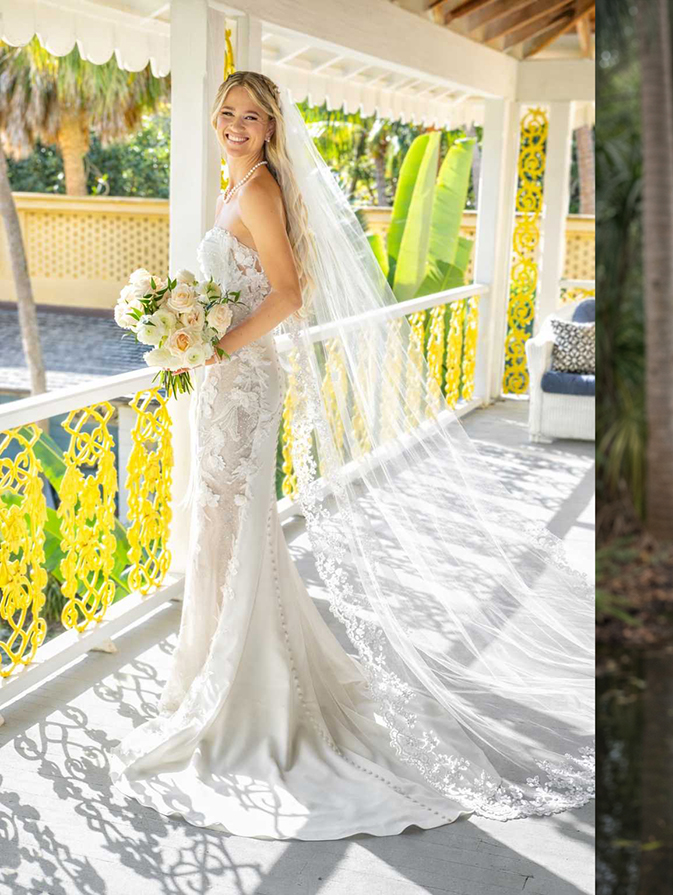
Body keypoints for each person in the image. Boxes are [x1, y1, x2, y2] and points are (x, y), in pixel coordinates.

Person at [110, 71, 595, 839]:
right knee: (220, 524)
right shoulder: (236, 185)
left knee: (235, 523)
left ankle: (248, 691)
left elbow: (289, 292)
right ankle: (214, 671)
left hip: (242, 381)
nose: (235, 125)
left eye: (251, 116)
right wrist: (190, 331)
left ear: (271, 127)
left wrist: (216, 347)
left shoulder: (259, 188)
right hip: (222, 379)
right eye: (227, 113)